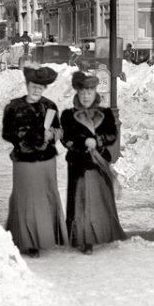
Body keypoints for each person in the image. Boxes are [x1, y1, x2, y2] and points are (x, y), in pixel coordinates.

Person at [1, 64, 66, 257]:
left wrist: (53, 134)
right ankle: (27, 242)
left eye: (40, 86)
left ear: (44, 87)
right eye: (33, 85)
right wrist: (34, 136)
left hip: (46, 161)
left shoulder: (50, 106)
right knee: (26, 199)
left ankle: (47, 237)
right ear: (27, 85)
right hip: (24, 161)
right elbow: (7, 134)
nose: (37, 89)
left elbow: (58, 131)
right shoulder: (13, 107)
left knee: (45, 197)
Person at [60, 71, 126, 254]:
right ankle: (83, 239)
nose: (86, 96)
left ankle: (104, 233)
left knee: (99, 202)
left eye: (89, 92)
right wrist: (83, 143)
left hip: (99, 165)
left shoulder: (105, 114)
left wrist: (98, 140)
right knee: (80, 205)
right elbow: (66, 138)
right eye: (82, 92)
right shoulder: (68, 115)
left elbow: (112, 135)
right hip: (79, 165)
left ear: (95, 92)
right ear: (77, 93)